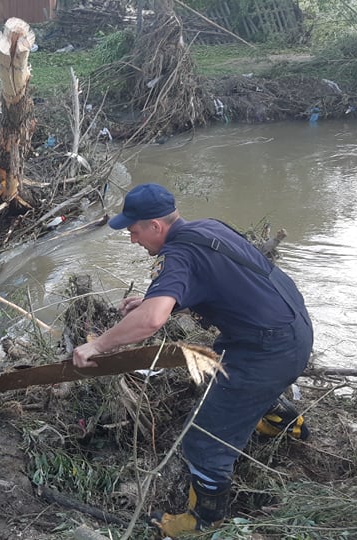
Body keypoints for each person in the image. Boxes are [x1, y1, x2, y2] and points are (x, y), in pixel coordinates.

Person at [72, 183, 313, 535]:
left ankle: (204, 519)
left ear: (156, 226)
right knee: (228, 375)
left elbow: (152, 322)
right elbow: (223, 277)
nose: (132, 240)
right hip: (295, 330)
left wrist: (97, 346)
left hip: (269, 349)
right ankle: (285, 423)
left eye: (134, 231)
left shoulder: (178, 255)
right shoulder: (208, 228)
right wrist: (162, 297)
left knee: (202, 441)